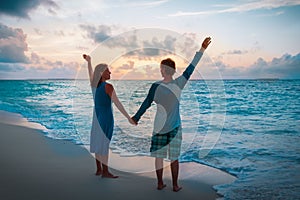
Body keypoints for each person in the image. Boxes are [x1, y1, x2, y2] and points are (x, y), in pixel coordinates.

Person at [131, 37, 211, 191]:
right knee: (174, 158)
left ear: (163, 70)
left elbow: (146, 103)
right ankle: (175, 185)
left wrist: (136, 117)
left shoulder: (155, 86)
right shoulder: (178, 83)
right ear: (173, 70)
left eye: (161, 68)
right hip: (175, 128)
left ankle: (160, 183)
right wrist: (201, 50)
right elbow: (191, 68)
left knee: (159, 157)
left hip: (159, 128)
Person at [83, 54, 136, 178]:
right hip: (106, 118)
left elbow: (90, 73)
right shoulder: (108, 87)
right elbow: (118, 104)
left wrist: (89, 62)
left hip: (96, 118)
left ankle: (99, 170)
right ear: (102, 73)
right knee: (104, 144)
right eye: (108, 70)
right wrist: (129, 118)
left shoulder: (94, 85)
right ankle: (106, 172)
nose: (110, 72)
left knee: (97, 142)